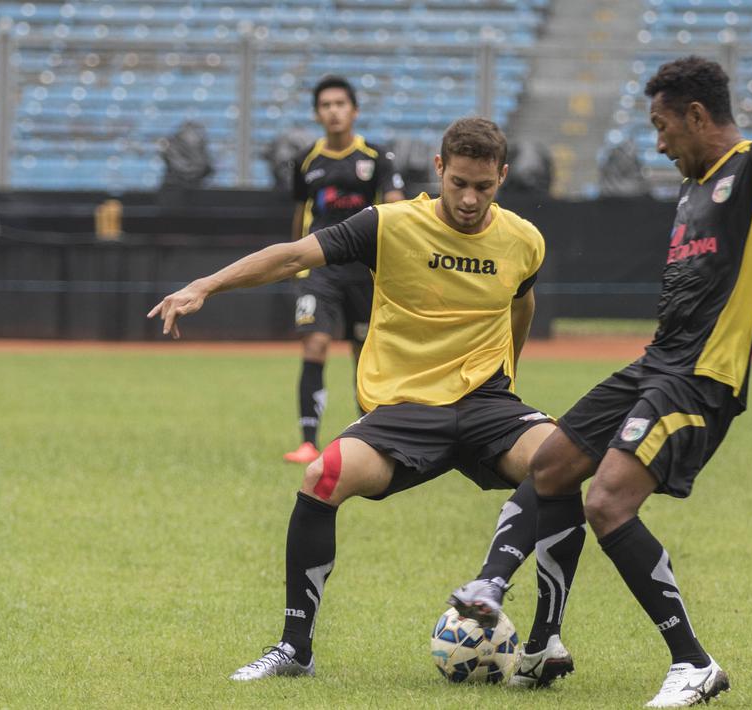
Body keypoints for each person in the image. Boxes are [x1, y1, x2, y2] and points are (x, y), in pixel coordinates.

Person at [450, 56, 752, 708]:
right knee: (549, 466)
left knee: (606, 504)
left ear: (694, 115)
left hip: (701, 380)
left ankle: (693, 664)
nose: (657, 144)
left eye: (661, 127)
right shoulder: (690, 188)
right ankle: (540, 639)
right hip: (656, 363)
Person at [148, 117, 557, 682]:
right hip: (405, 406)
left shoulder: (524, 239)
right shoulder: (388, 225)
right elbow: (293, 255)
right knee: (322, 475)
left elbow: (521, 302)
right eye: (458, 182)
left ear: (503, 177)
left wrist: (506, 372)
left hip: (486, 400)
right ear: (438, 169)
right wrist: (204, 286)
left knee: (563, 459)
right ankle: (296, 649)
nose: (468, 198)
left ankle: (534, 635)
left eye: (483, 187)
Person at [283, 75, 406, 465]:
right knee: (315, 343)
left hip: (366, 273)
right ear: (317, 113)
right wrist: (295, 261)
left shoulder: (376, 157)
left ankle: (369, 437)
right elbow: (301, 214)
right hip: (319, 269)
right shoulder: (306, 160)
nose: (333, 111)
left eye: (340, 104)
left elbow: (396, 210)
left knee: (364, 354)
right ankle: (307, 441)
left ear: (354, 110)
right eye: (326, 105)